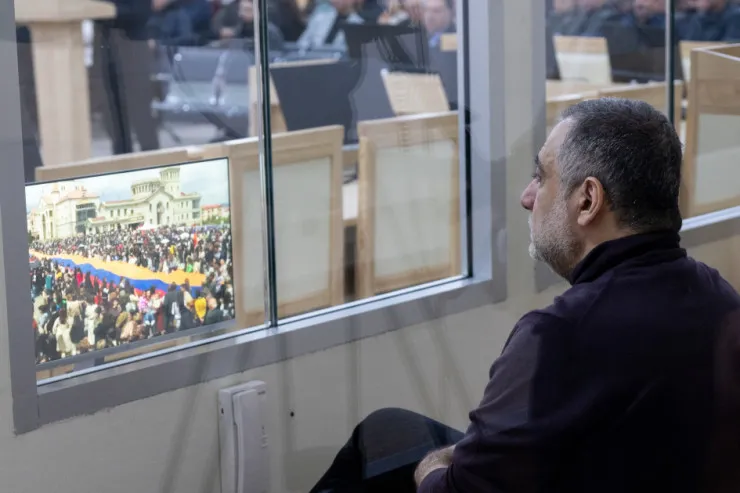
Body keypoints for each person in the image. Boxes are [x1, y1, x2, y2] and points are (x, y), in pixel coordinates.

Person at [309, 98, 740, 493]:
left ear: (588, 200)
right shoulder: (722, 299)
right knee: (386, 430)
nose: (527, 197)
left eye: (541, 176)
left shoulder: (559, 335)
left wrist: (433, 465)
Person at [94, 0, 161, 154]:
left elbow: (142, 9)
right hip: (103, 39)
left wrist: (110, 11)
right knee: (110, 110)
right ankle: (121, 157)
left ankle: (152, 158)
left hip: (131, 40)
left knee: (140, 109)